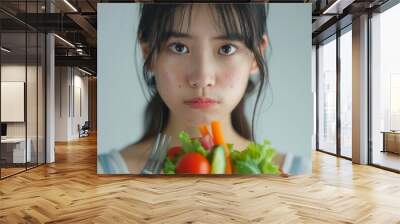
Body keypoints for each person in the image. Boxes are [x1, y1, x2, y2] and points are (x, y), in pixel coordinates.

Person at [98, 3, 270, 174]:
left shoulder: (292, 173)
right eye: (179, 47)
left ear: (257, 55)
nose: (202, 78)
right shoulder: (104, 171)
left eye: (227, 48)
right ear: (148, 53)